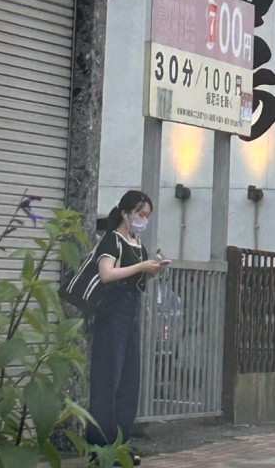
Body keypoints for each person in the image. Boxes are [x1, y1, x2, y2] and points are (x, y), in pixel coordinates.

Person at [86, 191, 169, 465]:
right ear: (125, 212)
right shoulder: (113, 239)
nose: (143, 220)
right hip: (112, 314)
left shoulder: (137, 242)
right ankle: (100, 448)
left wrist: (152, 268)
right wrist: (141, 267)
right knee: (107, 379)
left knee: (129, 381)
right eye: (140, 214)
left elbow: (136, 276)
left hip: (131, 313)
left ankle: (120, 446)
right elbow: (107, 273)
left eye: (147, 216)